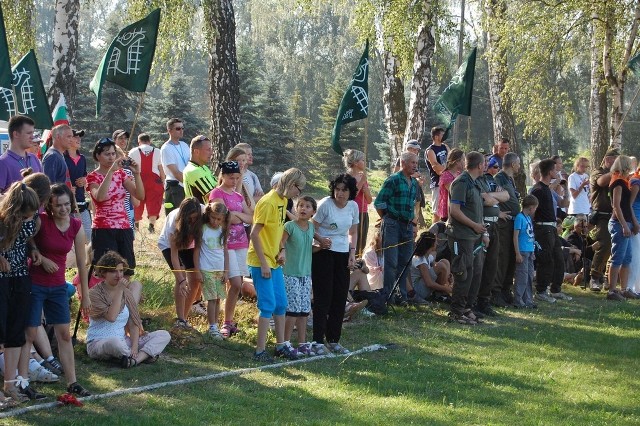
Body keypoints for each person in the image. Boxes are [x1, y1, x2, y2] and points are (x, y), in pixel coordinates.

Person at [25, 184, 91, 396]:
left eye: (66, 204)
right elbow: (25, 239)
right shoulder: (41, 221)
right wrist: (40, 257)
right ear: (50, 206)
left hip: (58, 286)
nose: (63, 209)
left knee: (64, 334)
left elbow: (82, 263)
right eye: (58, 205)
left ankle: (72, 382)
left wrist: (85, 296)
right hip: (35, 283)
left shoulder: (76, 225)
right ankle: (23, 383)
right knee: (30, 333)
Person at [247, 168, 305, 362]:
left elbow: (279, 231)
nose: (298, 193)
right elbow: (254, 235)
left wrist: (281, 250)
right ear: (290, 184)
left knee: (281, 304)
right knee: (267, 305)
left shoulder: (282, 201)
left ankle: (281, 346)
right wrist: (263, 264)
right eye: (298, 188)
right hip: (260, 262)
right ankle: (259, 351)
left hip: (274, 261)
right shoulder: (268, 202)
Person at [87, 251, 170, 367]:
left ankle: (135, 359)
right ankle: (141, 355)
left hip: (123, 340)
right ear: (103, 273)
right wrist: (119, 291)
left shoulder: (126, 292)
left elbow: (133, 320)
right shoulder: (94, 293)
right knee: (115, 343)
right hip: (100, 342)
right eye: (113, 271)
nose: (119, 275)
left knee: (164, 335)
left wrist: (135, 347)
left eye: (121, 271)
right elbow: (111, 317)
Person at [0, 181, 43, 402]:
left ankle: (10, 385)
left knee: (16, 332)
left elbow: (26, 238)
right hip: (1, 280)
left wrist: (33, 249)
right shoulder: (1, 219)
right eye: (26, 214)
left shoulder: (33, 221)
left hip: (20, 277)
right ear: (15, 210)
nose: (30, 218)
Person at [311, 174, 358, 355]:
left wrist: (352, 253)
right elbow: (311, 226)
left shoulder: (353, 206)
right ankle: (317, 340)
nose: (340, 193)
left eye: (344, 190)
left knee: (339, 297)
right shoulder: (325, 205)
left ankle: (333, 339)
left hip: (343, 253)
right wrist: (321, 240)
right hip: (323, 253)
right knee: (324, 297)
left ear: (350, 192)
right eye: (337, 189)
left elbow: (353, 231)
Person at [86, 138, 144, 276]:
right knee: (106, 271)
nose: (111, 157)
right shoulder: (92, 177)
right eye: (107, 154)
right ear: (97, 156)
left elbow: (139, 195)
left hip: (124, 227)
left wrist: (137, 173)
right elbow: (99, 197)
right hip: (103, 229)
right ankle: (106, 297)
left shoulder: (122, 174)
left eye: (113, 154)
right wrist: (110, 172)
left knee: (126, 270)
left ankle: (124, 297)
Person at [209, 161, 253, 338]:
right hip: (225, 244)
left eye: (236, 177)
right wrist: (236, 217)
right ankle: (218, 322)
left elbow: (250, 216)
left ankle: (229, 320)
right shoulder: (216, 193)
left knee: (238, 284)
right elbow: (224, 217)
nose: (234, 181)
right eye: (230, 177)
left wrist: (238, 216)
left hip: (241, 242)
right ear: (223, 176)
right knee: (232, 282)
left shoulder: (237, 196)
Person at [446, 151, 490, 325]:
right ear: (479, 165)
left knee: (474, 272)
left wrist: (482, 232)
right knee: (462, 273)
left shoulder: (475, 183)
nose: (486, 165)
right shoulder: (461, 182)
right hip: (461, 235)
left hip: (475, 236)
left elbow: (477, 210)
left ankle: (467, 308)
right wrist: (474, 226)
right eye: (484, 163)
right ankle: (456, 312)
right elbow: (454, 211)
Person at [374, 152, 420, 303]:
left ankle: (402, 296)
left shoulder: (413, 183)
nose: (415, 166)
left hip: (407, 226)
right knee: (391, 262)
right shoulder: (393, 180)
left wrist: (414, 224)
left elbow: (412, 206)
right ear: (404, 163)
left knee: (405, 261)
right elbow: (379, 202)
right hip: (393, 223)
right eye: (412, 163)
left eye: (416, 163)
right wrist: (387, 218)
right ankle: (388, 297)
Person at [157, 197, 205, 327]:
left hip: (190, 244)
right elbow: (174, 255)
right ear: (184, 217)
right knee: (181, 278)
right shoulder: (174, 222)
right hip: (170, 244)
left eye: (196, 218)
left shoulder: (203, 211)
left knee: (194, 280)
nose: (193, 221)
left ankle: (184, 316)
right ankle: (180, 319)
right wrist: (182, 280)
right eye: (190, 219)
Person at [531, 158, 571, 303]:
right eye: (555, 170)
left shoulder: (548, 189)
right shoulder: (537, 190)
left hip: (552, 228)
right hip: (542, 228)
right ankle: (541, 290)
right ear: (549, 172)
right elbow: (531, 212)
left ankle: (556, 289)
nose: (557, 172)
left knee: (559, 259)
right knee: (545, 260)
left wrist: (565, 190)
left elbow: (563, 203)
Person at [280, 196, 316, 356]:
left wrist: (322, 246)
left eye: (308, 206)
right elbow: (281, 243)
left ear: (313, 212)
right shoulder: (289, 226)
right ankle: (285, 343)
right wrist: (282, 252)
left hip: (305, 275)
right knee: (292, 311)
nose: (303, 208)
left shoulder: (311, 227)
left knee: (304, 311)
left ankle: (302, 343)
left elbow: (309, 248)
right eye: (300, 205)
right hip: (290, 274)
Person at [193, 202, 229, 339]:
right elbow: (196, 251)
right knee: (212, 299)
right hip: (206, 269)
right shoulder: (203, 229)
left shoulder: (222, 231)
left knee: (218, 298)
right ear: (209, 215)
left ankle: (216, 326)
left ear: (223, 219)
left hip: (219, 270)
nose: (215, 221)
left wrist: (226, 271)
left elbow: (225, 252)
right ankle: (212, 326)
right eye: (213, 217)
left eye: (219, 219)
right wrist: (197, 270)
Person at [606, 156, 637, 301]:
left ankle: (624, 289)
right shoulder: (618, 182)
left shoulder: (624, 181)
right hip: (619, 223)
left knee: (627, 258)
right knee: (617, 257)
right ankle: (612, 290)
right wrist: (624, 224)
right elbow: (616, 206)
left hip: (626, 222)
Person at [492, 152, 521, 308]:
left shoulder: (510, 179)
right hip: (504, 224)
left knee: (510, 258)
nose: (519, 166)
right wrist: (498, 213)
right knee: (502, 258)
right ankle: (496, 292)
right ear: (513, 164)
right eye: (518, 163)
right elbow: (492, 197)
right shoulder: (500, 178)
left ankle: (505, 290)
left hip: (513, 224)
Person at [589, 147, 619, 291]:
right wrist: (615, 171)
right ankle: (594, 277)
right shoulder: (598, 172)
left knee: (615, 247)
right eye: (615, 160)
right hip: (602, 215)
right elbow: (601, 182)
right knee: (605, 243)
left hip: (616, 215)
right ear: (608, 160)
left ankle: (607, 277)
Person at [128, 133, 165, 233]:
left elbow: (129, 168)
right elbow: (161, 169)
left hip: (138, 179)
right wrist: (163, 182)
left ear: (139, 141)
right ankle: (151, 226)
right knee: (154, 203)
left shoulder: (133, 151)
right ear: (149, 141)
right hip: (154, 181)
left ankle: (136, 226)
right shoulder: (158, 151)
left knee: (137, 203)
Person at [0, 115, 42, 194]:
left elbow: (44, 189)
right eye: (29, 133)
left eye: (33, 133)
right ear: (16, 134)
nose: (32, 137)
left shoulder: (34, 158)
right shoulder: (2, 162)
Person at [64, 129, 92, 243]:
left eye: (79, 137)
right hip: (65, 206)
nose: (78, 139)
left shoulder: (83, 158)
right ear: (69, 139)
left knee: (87, 238)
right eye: (75, 137)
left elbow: (85, 175)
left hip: (81, 204)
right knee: (69, 241)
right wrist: (66, 188)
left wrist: (85, 179)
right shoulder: (61, 157)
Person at [344, 149, 372, 257]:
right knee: (352, 241)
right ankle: (350, 260)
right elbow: (350, 196)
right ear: (356, 163)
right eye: (363, 160)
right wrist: (360, 183)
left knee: (361, 241)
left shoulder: (362, 177)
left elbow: (369, 200)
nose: (365, 162)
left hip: (363, 212)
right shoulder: (347, 178)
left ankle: (357, 263)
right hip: (352, 213)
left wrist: (366, 190)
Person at [409, 232, 452, 301]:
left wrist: (448, 275)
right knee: (441, 266)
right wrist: (445, 288)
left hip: (423, 285)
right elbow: (429, 283)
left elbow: (436, 264)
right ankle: (443, 293)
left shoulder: (428, 256)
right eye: (435, 242)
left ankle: (443, 292)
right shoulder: (421, 261)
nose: (437, 244)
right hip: (419, 290)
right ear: (431, 244)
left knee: (445, 261)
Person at [513, 195, 538, 308]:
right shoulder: (520, 217)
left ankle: (527, 299)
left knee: (529, 276)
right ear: (531, 207)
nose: (535, 210)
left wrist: (533, 250)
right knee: (521, 276)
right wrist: (517, 253)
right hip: (522, 251)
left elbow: (531, 235)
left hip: (529, 250)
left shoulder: (528, 218)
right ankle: (518, 300)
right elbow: (515, 236)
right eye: (535, 208)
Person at [161, 118, 190, 215]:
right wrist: (191, 184)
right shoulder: (166, 148)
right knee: (176, 217)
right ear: (169, 130)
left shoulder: (184, 145)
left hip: (186, 185)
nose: (181, 130)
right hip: (175, 187)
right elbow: (176, 173)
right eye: (178, 128)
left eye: (182, 128)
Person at [183, 135, 217, 204]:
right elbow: (213, 195)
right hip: (200, 213)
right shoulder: (193, 170)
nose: (211, 153)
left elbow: (217, 186)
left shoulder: (204, 168)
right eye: (208, 150)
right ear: (196, 152)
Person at [425, 127, 449, 223]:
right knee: (437, 212)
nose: (444, 136)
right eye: (442, 135)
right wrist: (448, 169)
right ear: (436, 136)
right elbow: (435, 166)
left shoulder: (445, 147)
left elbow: (452, 159)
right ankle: (433, 235)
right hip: (437, 183)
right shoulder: (430, 150)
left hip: (448, 181)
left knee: (447, 210)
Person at [437, 148, 464, 221]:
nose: (464, 162)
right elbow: (453, 191)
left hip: (458, 208)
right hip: (447, 211)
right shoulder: (446, 175)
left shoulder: (459, 174)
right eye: (463, 160)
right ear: (457, 162)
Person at [628, 166, 640, 294]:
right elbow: (629, 204)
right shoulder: (636, 181)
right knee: (635, 256)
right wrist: (635, 222)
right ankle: (630, 287)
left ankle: (638, 287)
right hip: (635, 222)